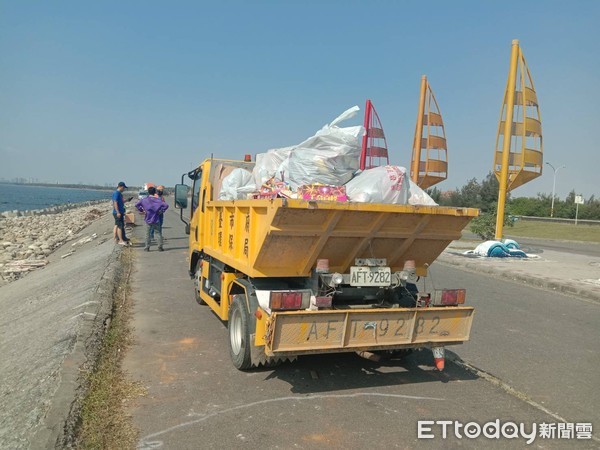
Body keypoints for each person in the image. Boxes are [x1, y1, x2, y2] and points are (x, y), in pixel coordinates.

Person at [135, 186, 169, 251]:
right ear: (154, 192)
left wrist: (141, 210)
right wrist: (161, 211)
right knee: (158, 233)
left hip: (147, 218)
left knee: (147, 234)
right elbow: (166, 205)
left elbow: (137, 205)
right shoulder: (158, 200)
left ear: (148, 192)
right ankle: (160, 247)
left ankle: (147, 247)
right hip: (156, 218)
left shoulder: (144, 200)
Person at [112, 181, 130, 246]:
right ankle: (120, 240)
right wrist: (118, 212)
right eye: (124, 188)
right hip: (118, 212)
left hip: (120, 212)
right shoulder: (116, 193)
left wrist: (127, 200)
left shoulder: (119, 193)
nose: (124, 189)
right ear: (121, 187)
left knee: (119, 225)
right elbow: (115, 202)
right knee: (120, 226)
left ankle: (118, 238)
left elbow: (121, 201)